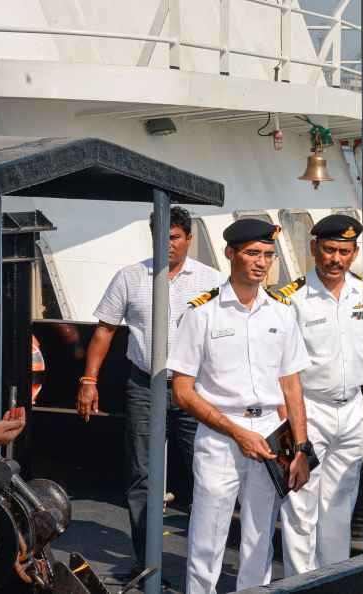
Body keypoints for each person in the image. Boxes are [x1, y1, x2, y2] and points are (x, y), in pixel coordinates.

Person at [75, 206, 224, 574]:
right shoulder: (130, 277)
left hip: (196, 389)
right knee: (142, 474)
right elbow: (105, 331)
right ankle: (147, 563)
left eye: (174, 237)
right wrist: (89, 381)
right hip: (144, 385)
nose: (167, 244)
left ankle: (201, 564)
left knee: (203, 472)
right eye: (160, 236)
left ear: (188, 239)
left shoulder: (211, 280)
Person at [168, 218, 312, 593]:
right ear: (230, 253)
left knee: (260, 538)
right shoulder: (202, 313)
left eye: (267, 254)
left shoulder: (281, 312)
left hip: (269, 434)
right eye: (252, 253)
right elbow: (182, 391)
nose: (262, 262)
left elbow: (291, 386)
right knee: (207, 539)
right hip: (220, 437)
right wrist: (236, 433)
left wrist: (300, 449)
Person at [279, 214, 363, 575]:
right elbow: (283, 368)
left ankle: (332, 581)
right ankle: (299, 584)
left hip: (353, 409)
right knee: (300, 505)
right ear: (314, 248)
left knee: (339, 507)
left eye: (345, 252)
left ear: (355, 252)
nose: (336, 259)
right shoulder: (291, 299)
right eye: (329, 249)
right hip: (307, 409)